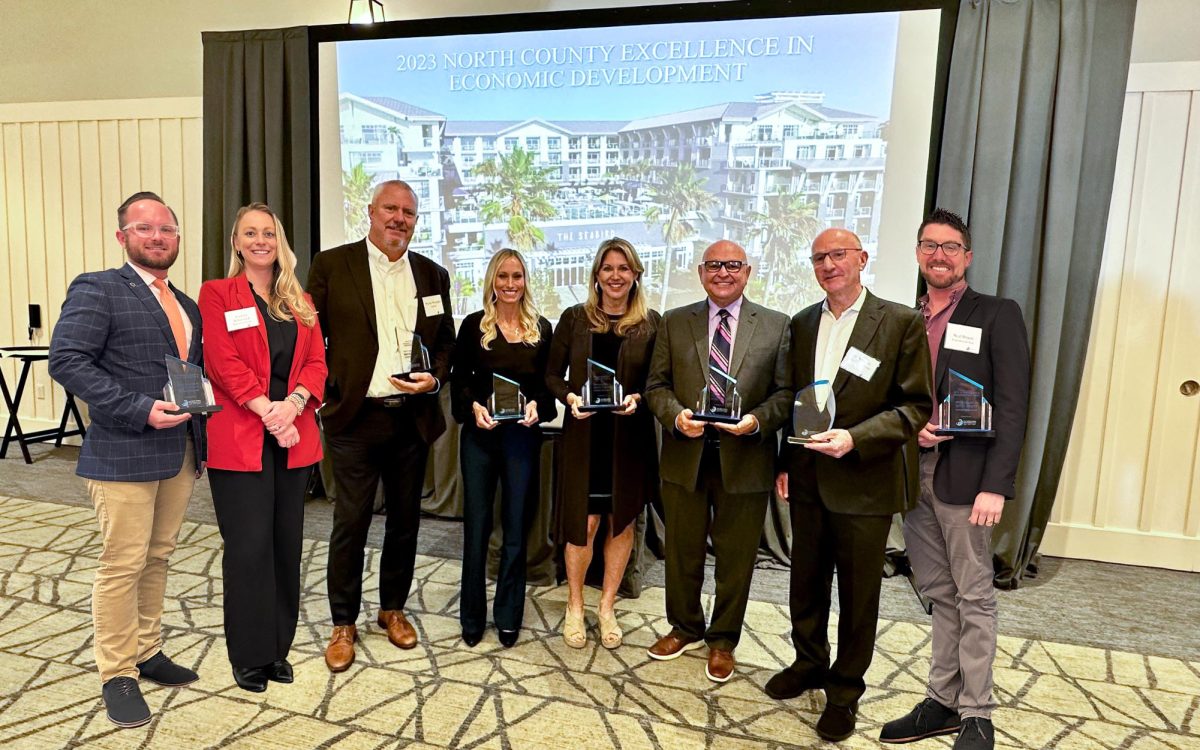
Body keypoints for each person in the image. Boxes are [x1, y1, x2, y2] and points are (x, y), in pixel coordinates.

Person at [48, 192, 205, 728]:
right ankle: (117, 672)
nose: (158, 237)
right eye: (145, 229)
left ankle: (148, 649)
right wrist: (138, 409)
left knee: (158, 556)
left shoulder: (187, 305)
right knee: (122, 563)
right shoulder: (98, 288)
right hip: (123, 450)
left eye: (167, 228)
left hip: (179, 452)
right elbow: (67, 360)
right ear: (123, 238)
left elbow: (186, 373)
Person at [768, 227, 932, 742]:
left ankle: (844, 693)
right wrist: (784, 463)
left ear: (862, 258)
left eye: (838, 255)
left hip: (864, 481)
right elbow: (793, 399)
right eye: (818, 257)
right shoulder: (801, 323)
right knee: (805, 582)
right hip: (809, 475)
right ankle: (808, 662)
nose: (828, 264)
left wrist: (854, 438)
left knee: (859, 597)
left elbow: (914, 406)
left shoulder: (901, 322)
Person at [879, 210, 1029, 750]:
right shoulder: (900, 317)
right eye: (928, 246)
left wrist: (997, 484)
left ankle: (977, 713)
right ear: (918, 253)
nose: (938, 255)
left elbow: (1012, 406)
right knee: (939, 592)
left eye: (950, 246)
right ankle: (942, 701)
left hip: (967, 477)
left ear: (967, 256)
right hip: (908, 474)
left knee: (974, 595)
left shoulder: (996, 314)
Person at [307, 180, 455, 672]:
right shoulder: (333, 264)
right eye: (390, 208)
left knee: (406, 522)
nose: (399, 218)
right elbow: (311, 337)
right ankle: (343, 622)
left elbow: (447, 345)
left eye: (408, 212)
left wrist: (433, 377)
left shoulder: (433, 274)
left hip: (410, 418)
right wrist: (325, 391)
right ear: (370, 212)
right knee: (350, 522)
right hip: (355, 418)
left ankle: (392, 609)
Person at [643, 240, 791, 682]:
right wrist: (675, 416)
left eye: (732, 265)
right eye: (713, 265)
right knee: (682, 551)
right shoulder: (674, 321)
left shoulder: (777, 325)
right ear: (701, 271)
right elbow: (656, 385)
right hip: (686, 455)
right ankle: (684, 625)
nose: (722, 272)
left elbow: (786, 395)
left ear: (747, 272)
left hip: (745, 458)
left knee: (736, 557)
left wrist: (755, 422)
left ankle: (723, 640)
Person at [198, 203, 328, 692]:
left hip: (292, 439)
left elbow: (316, 363)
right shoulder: (217, 294)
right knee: (248, 549)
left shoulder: (301, 300)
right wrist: (269, 413)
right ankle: (248, 654)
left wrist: (292, 406)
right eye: (250, 233)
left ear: (280, 242)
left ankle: (278, 648)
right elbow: (222, 362)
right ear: (236, 242)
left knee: (284, 548)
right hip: (242, 440)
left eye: (268, 233)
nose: (260, 241)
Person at [546, 238, 660, 649]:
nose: (615, 276)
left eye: (624, 269)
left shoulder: (651, 324)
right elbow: (552, 376)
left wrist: (639, 399)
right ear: (597, 274)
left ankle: (607, 605)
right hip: (584, 436)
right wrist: (571, 397)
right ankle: (575, 605)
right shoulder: (574, 319)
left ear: (635, 275)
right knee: (586, 523)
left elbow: (656, 381)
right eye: (608, 268)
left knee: (621, 521)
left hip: (627, 438)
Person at [450, 249, 557, 648]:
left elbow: (548, 392)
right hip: (480, 437)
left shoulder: (542, 329)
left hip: (521, 440)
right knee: (476, 529)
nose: (510, 284)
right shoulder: (473, 326)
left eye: (517, 276)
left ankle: (509, 614)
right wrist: (473, 407)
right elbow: (458, 382)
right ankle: (473, 616)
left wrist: (536, 408)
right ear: (491, 281)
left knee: (515, 529)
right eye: (502, 277)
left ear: (525, 280)